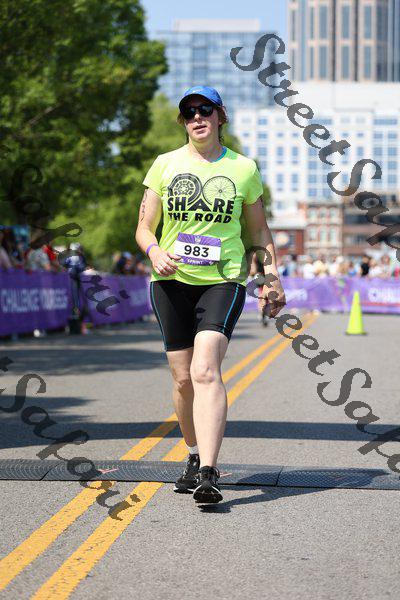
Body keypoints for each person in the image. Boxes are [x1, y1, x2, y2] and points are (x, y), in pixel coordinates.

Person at [135, 85, 285, 504]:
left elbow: (258, 231)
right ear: (183, 122)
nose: (197, 117)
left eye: (205, 110)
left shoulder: (243, 168)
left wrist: (271, 277)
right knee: (183, 379)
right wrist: (155, 251)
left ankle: (208, 471)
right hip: (170, 282)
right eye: (189, 112)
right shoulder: (165, 164)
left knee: (204, 371)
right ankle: (193, 453)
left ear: (220, 117)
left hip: (223, 280)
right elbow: (144, 227)